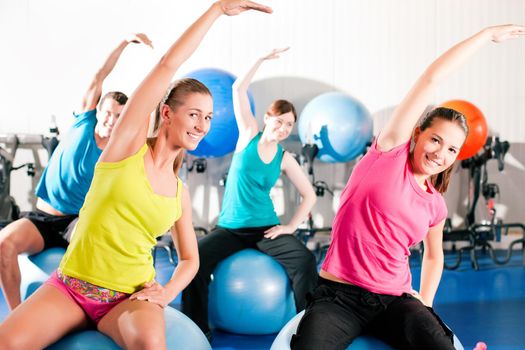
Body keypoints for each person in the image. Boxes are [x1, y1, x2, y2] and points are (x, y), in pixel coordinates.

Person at [0, 1, 271, 349]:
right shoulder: (125, 148)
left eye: (208, 117)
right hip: (71, 287)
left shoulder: (178, 193)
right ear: (167, 113)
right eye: (194, 114)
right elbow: (167, 64)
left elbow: (191, 259)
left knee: (149, 345)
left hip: (128, 299)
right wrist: (216, 10)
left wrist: (168, 290)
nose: (202, 125)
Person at [291, 24, 525, 350]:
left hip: (395, 300)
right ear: (417, 135)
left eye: (451, 150)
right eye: (435, 140)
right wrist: (485, 37)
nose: (440, 153)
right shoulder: (387, 153)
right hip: (339, 297)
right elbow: (431, 79)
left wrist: (425, 302)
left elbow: (434, 257)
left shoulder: (435, 205)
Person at [0, 33, 152, 310]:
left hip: (80, 224)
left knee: (106, 255)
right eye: (107, 112)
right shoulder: (84, 121)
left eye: (119, 116)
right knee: (3, 245)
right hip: (44, 218)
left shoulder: (121, 148)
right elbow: (99, 76)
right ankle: (15, 313)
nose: (111, 119)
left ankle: (102, 311)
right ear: (98, 110)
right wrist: (123, 42)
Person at [182, 47, 318, 337]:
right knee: (194, 262)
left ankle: (307, 329)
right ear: (268, 118)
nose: (283, 128)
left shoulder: (285, 158)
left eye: (289, 125)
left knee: (305, 261)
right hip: (230, 228)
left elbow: (310, 194)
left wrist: (291, 226)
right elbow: (237, 88)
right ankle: (197, 329)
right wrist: (259, 60)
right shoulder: (248, 134)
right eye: (279, 121)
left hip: (266, 229)